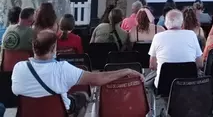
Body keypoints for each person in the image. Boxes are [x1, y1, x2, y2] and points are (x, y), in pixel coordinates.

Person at [12, 30, 141, 117]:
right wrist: (127, 71)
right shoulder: (62, 69)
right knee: (83, 96)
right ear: (53, 48)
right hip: (60, 112)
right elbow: (98, 79)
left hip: (29, 113)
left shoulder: (18, 67)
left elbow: (15, 91)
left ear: (34, 47)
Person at [147, 10, 203, 90]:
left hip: (163, 86)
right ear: (182, 23)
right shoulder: (192, 35)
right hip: (188, 85)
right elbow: (200, 64)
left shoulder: (157, 37)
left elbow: (152, 65)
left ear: (165, 23)